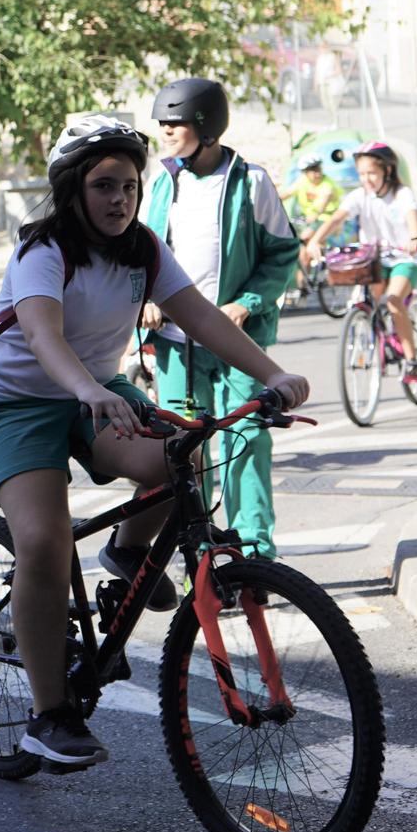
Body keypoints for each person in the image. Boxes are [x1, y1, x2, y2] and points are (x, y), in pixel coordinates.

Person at [0, 117, 309, 769]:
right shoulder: (45, 249)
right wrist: (87, 389)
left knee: (183, 455)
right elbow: (41, 335)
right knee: (43, 538)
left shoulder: (142, 247)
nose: (119, 198)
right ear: (73, 191)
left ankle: (126, 557)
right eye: (103, 186)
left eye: (128, 185)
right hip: (13, 401)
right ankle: (48, 715)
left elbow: (199, 314)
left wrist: (273, 374)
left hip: (95, 390)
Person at [139, 78, 301, 560]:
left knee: (244, 443)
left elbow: (283, 253)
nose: (165, 133)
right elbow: (143, 252)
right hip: (173, 345)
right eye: (162, 125)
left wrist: (247, 303)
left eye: (175, 124)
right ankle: (199, 561)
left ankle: (254, 560)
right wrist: (145, 297)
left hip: (236, 345)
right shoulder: (161, 183)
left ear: (207, 128)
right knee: (181, 455)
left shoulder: (251, 181)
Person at [306, 140, 417, 380]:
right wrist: (316, 240)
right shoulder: (359, 196)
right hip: (374, 259)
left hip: (405, 257)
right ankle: (376, 332)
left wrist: (414, 237)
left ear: (387, 170)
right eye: (361, 173)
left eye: (372, 173)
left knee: (393, 300)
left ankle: (413, 360)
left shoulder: (401, 194)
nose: (366, 179)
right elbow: (337, 218)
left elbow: (411, 215)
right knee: (367, 300)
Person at [281, 155, 343, 242]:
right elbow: (287, 193)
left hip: (326, 218)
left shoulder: (328, 184)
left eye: (319, 169)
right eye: (314, 171)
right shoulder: (302, 181)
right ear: (305, 172)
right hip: (307, 218)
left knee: (305, 237)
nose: (318, 173)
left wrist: (316, 214)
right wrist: (273, 201)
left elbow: (326, 198)